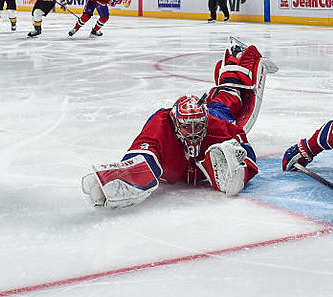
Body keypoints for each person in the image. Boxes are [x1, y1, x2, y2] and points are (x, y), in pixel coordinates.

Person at [82, 45, 268, 208]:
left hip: (215, 113)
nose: (194, 132)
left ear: (205, 120)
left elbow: (245, 148)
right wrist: (122, 176)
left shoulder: (215, 123)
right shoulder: (161, 123)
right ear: (176, 122)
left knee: (228, 96)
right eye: (188, 127)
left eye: (198, 125)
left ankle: (235, 60)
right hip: (189, 152)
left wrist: (240, 167)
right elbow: (144, 152)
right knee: (223, 99)